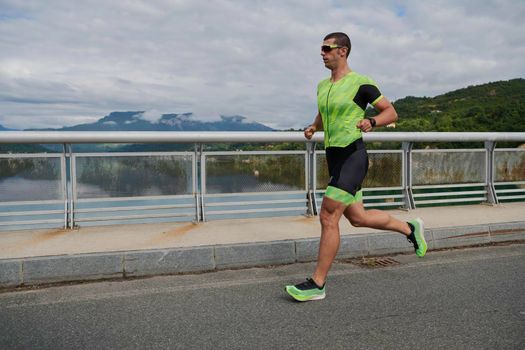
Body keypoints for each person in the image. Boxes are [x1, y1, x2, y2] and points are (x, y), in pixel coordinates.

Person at [285, 32, 426, 302]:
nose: (322, 53)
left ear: (343, 51)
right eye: (321, 49)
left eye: (328, 48)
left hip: (353, 156)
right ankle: (410, 229)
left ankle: (317, 283)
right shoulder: (322, 86)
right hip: (334, 158)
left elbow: (391, 112)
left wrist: (372, 122)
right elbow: (324, 113)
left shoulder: (361, 83)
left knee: (328, 216)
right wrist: (315, 126)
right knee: (358, 217)